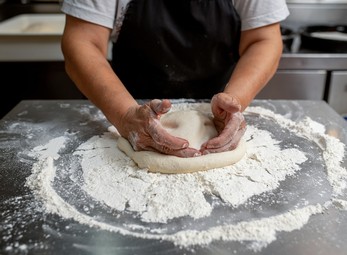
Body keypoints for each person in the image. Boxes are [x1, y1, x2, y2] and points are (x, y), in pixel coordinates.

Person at [61, 0, 289, 158]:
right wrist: (124, 115)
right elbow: (82, 41)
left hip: (216, 102)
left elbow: (264, 39)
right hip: (127, 101)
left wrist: (234, 101)